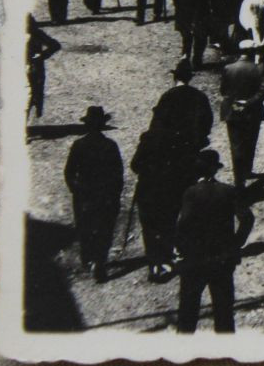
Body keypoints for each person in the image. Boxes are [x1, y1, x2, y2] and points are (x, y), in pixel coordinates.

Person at [174, 150, 254, 334]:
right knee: (224, 310)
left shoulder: (191, 193)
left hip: (195, 259)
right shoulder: (228, 191)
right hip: (222, 258)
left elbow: (183, 225)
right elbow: (247, 218)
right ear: (214, 170)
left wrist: (181, 248)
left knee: (188, 310)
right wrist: (236, 243)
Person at [132, 102, 202, 281]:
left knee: (149, 228)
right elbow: (188, 169)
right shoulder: (181, 138)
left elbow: (135, 165)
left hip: (147, 191)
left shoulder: (147, 139)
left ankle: (154, 264)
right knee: (167, 226)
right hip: (170, 192)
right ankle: (165, 261)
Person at [65, 105, 123, 283]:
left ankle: (88, 259)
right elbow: (118, 174)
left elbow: (69, 172)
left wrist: (76, 190)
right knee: (104, 229)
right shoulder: (111, 146)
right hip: (106, 195)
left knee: (85, 227)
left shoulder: (79, 145)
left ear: (87, 126)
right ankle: (100, 261)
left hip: (84, 196)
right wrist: (115, 195)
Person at [219, 52, 264, 189]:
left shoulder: (228, 68)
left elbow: (223, 90)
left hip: (233, 110)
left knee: (236, 145)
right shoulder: (259, 69)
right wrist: (248, 102)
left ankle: (239, 178)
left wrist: (236, 101)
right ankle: (247, 170)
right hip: (252, 112)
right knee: (250, 142)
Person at [25, 16, 60, 120]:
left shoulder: (37, 34)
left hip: (33, 70)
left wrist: (42, 55)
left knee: (29, 98)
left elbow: (55, 45)